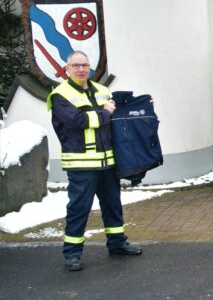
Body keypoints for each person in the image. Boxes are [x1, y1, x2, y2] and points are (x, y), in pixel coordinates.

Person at [47, 51, 143, 272]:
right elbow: (77, 121)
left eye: (85, 65)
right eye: (76, 65)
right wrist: (105, 113)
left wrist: (144, 101)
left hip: (107, 163)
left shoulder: (101, 90)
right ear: (67, 68)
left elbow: (118, 108)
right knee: (79, 209)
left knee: (113, 204)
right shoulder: (60, 95)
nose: (81, 69)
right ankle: (72, 254)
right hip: (81, 165)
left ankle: (117, 243)